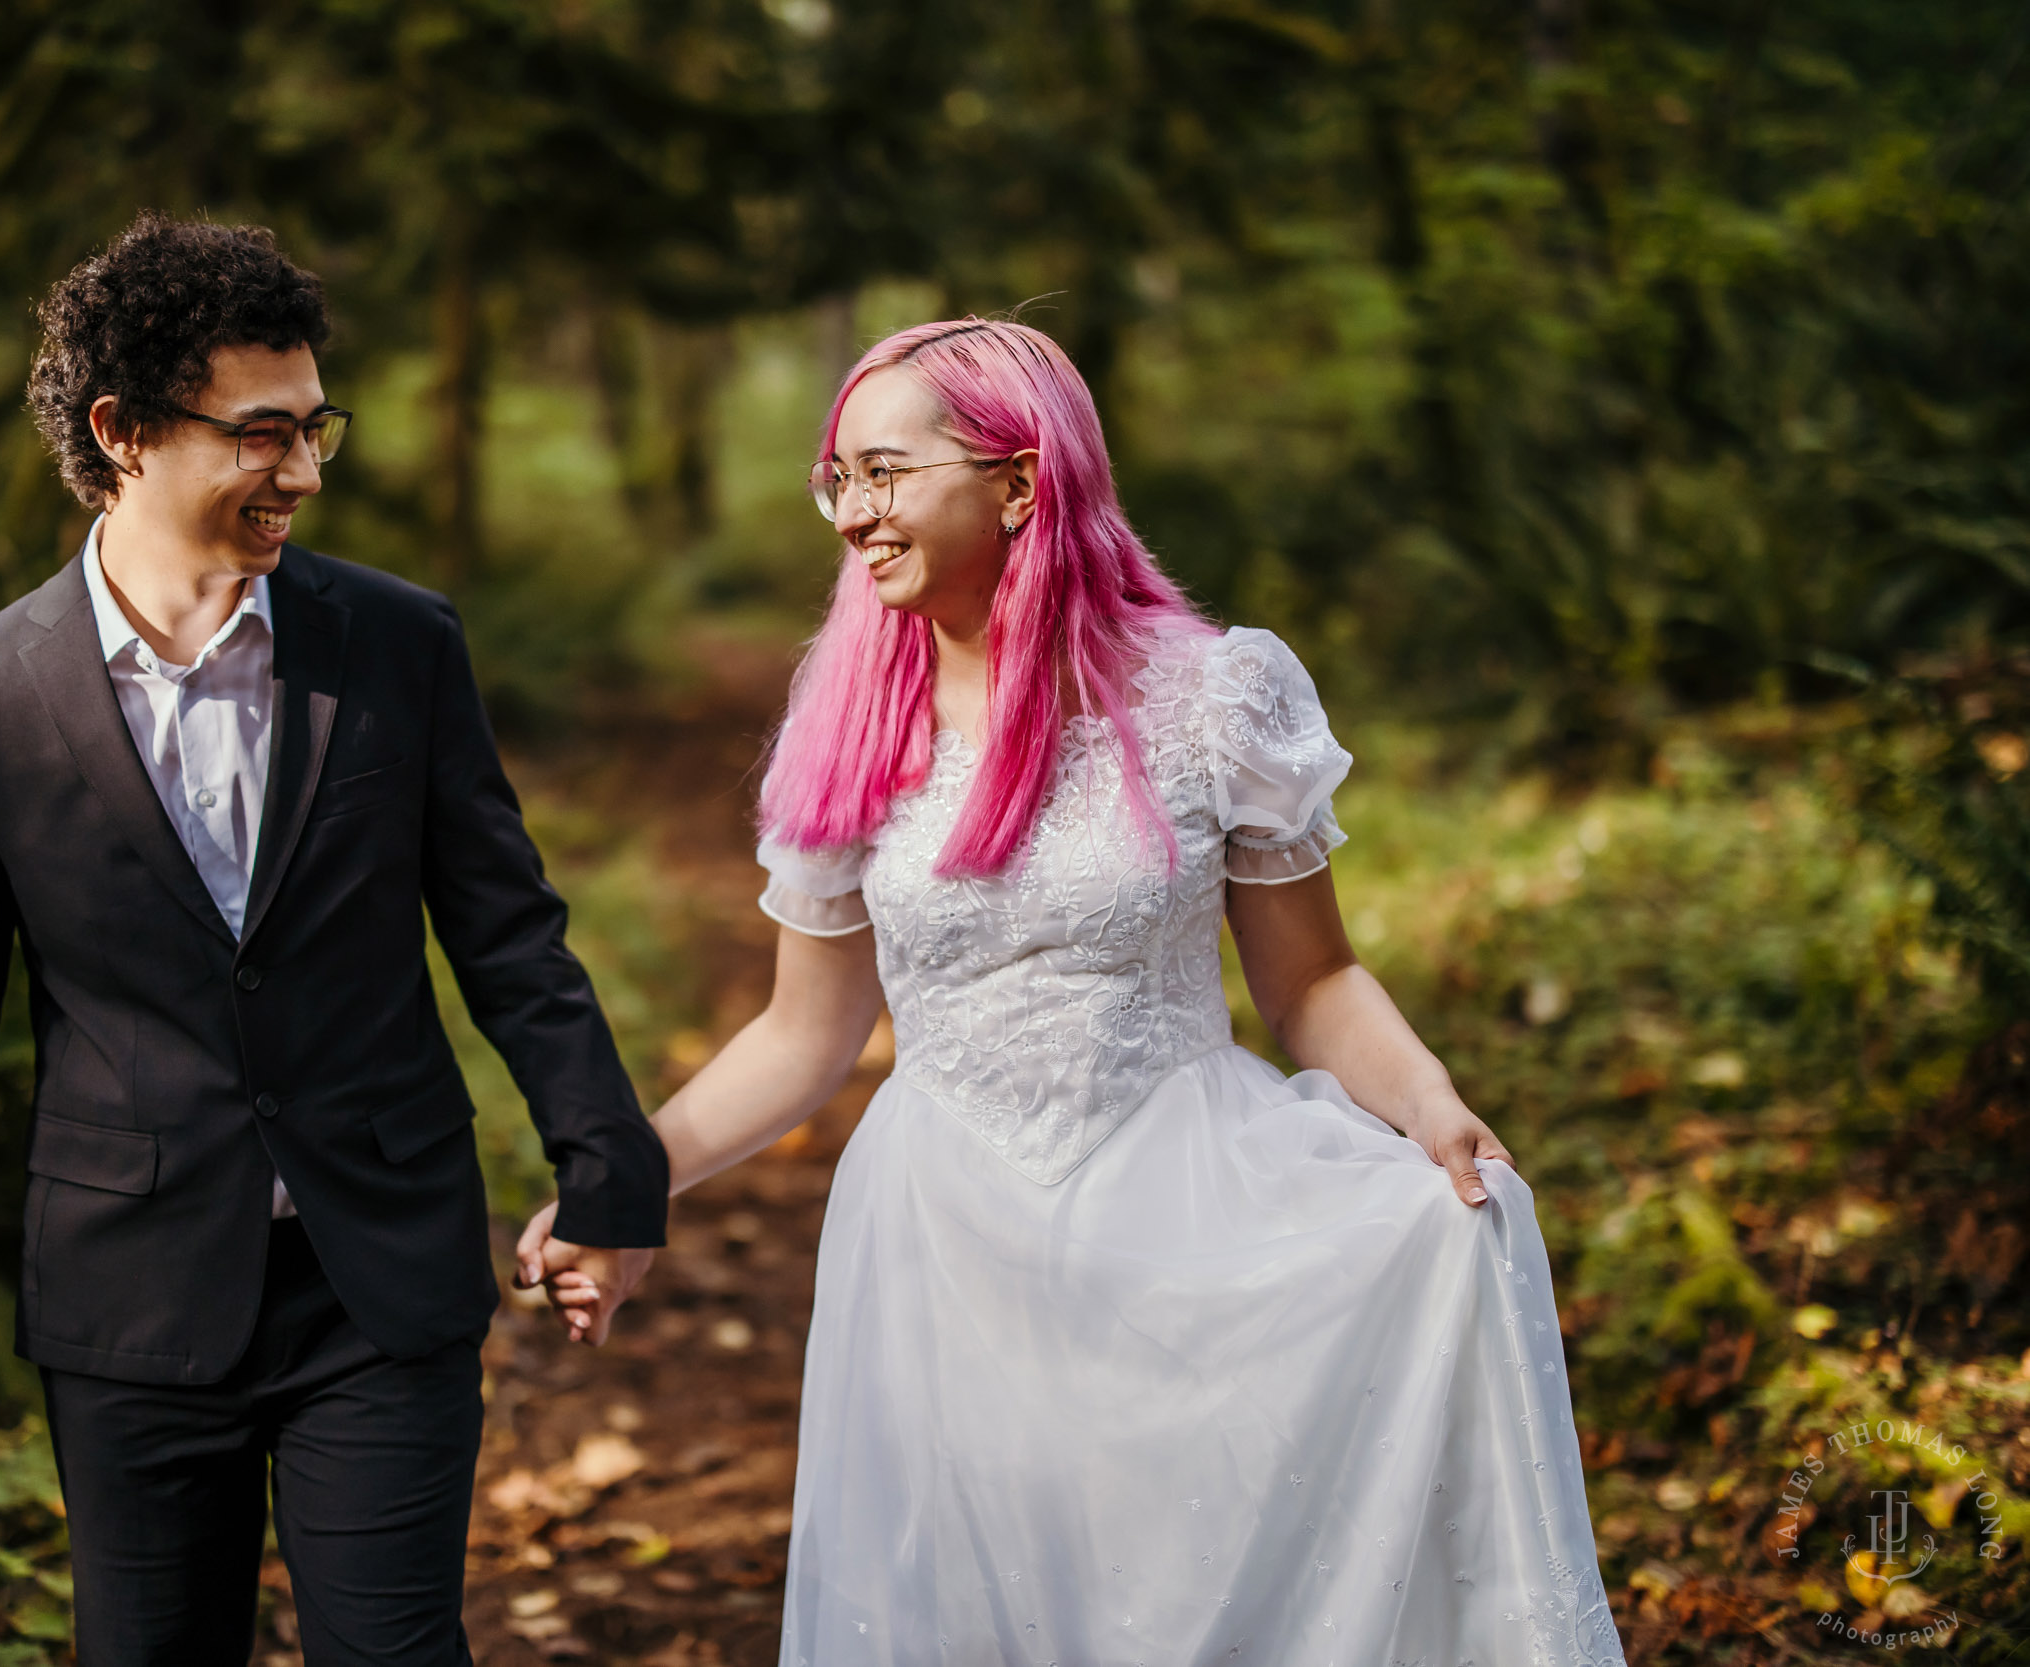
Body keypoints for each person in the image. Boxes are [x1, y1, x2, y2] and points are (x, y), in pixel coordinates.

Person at [519, 318, 1625, 1664]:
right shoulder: (852, 724)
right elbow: (802, 1036)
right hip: (945, 1248)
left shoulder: (1215, 699)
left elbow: (1314, 979)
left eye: (882, 473)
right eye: (837, 482)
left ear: (1018, 482)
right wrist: (620, 1185)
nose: (852, 517)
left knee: (1184, 1589)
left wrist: (1429, 1103)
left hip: (1191, 1212)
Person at [0, 212, 666, 1666]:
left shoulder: (399, 643)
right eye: (264, 433)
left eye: (317, 427)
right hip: (131, 1299)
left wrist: (609, 1165)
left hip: (381, 1275)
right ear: (126, 430)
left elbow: (507, 933)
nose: (306, 470)